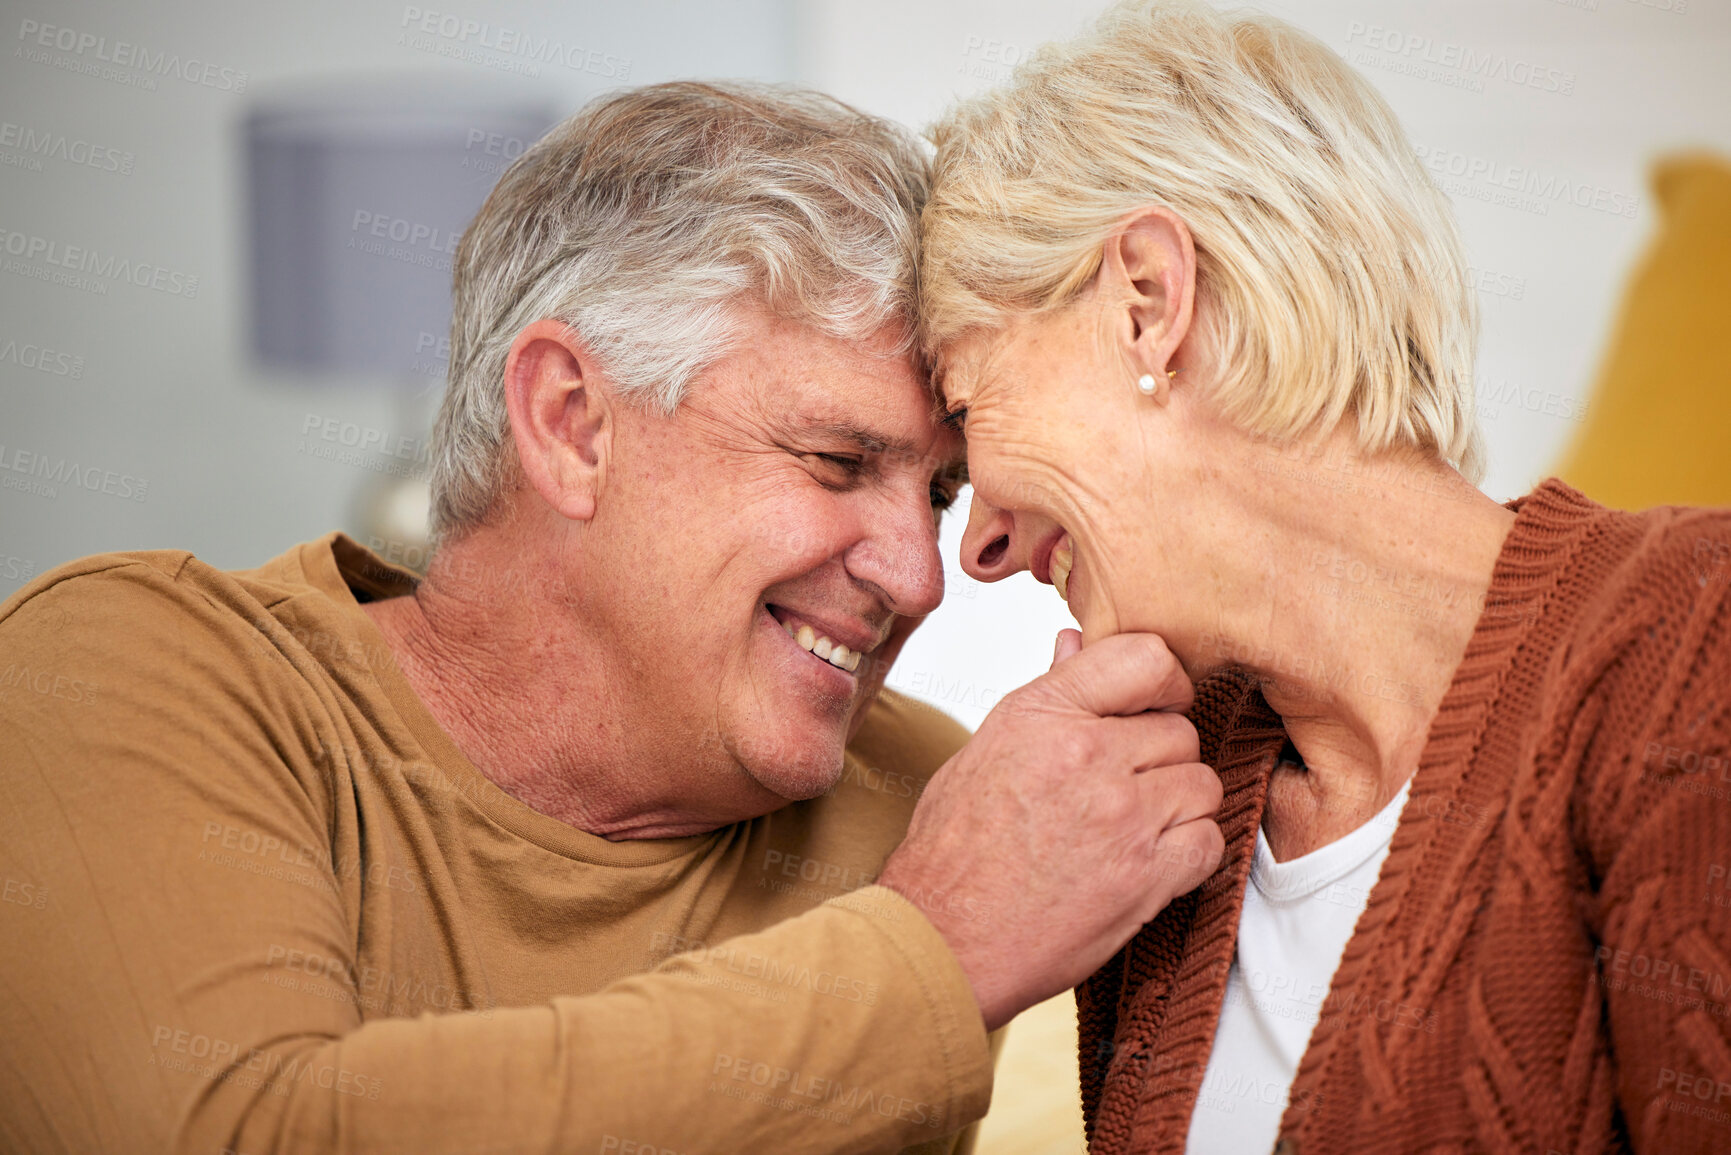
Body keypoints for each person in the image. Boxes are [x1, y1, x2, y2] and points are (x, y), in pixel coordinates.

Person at [0, 81, 1225, 1154]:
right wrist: (938, 953)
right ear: (573, 426)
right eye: (839, 463)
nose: (919, 575)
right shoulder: (130, 670)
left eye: (944, 491)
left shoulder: (925, 796)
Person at [917, 2, 1731, 1153]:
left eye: (967, 407)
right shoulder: (1155, 815)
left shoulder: (1690, 636)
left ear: (1149, 299)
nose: (976, 550)